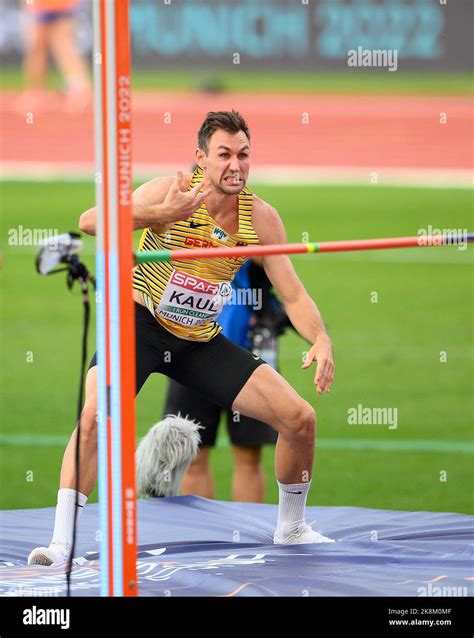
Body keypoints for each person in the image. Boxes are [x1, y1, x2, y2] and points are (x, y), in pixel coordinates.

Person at [28, 110, 335, 566]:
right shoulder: (169, 191)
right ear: (201, 157)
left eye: (244, 155)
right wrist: (163, 214)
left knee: (300, 419)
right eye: (224, 155)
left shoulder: (261, 218)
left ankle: (291, 528)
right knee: (94, 416)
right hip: (140, 325)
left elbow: (292, 294)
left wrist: (321, 338)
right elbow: (91, 220)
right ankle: (60, 545)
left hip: (198, 341)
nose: (236, 165)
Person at [164, 259, 289, 503]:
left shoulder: (249, 223)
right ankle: (201, 537)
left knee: (248, 456)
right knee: (191, 456)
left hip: (248, 356)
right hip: (189, 350)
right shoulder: (183, 222)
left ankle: (246, 538)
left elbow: (273, 257)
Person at [19, 0, 91, 111]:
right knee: (40, 47)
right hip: (44, 6)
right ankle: (35, 92)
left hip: (60, 6)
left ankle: (79, 89)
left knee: (61, 45)